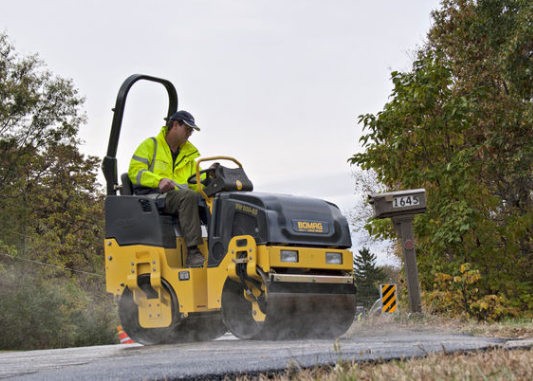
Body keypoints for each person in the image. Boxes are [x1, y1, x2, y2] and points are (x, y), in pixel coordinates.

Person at [128, 110, 206, 268]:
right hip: (152, 198)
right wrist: (158, 181)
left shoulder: (187, 156)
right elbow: (134, 172)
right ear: (175, 125)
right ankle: (193, 252)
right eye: (188, 129)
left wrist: (211, 180)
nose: (190, 133)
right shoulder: (151, 145)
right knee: (188, 196)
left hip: (176, 199)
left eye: (191, 131)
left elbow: (196, 184)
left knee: (211, 200)